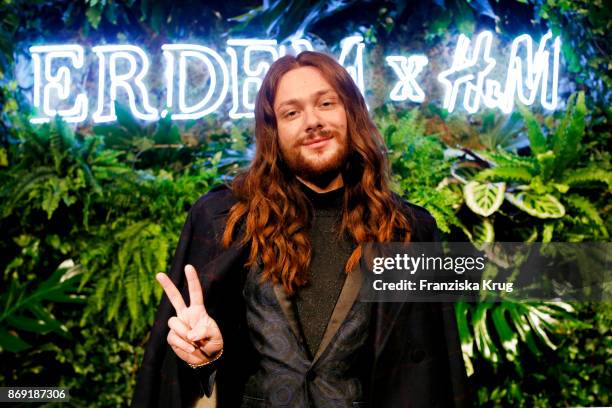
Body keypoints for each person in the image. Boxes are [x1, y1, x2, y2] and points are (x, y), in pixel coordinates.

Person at [132, 51, 468, 407]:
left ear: (351, 114)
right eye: (291, 112)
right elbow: (179, 384)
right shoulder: (221, 220)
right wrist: (205, 361)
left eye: (326, 103)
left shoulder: (409, 231)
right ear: (273, 131)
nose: (312, 122)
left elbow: (431, 370)